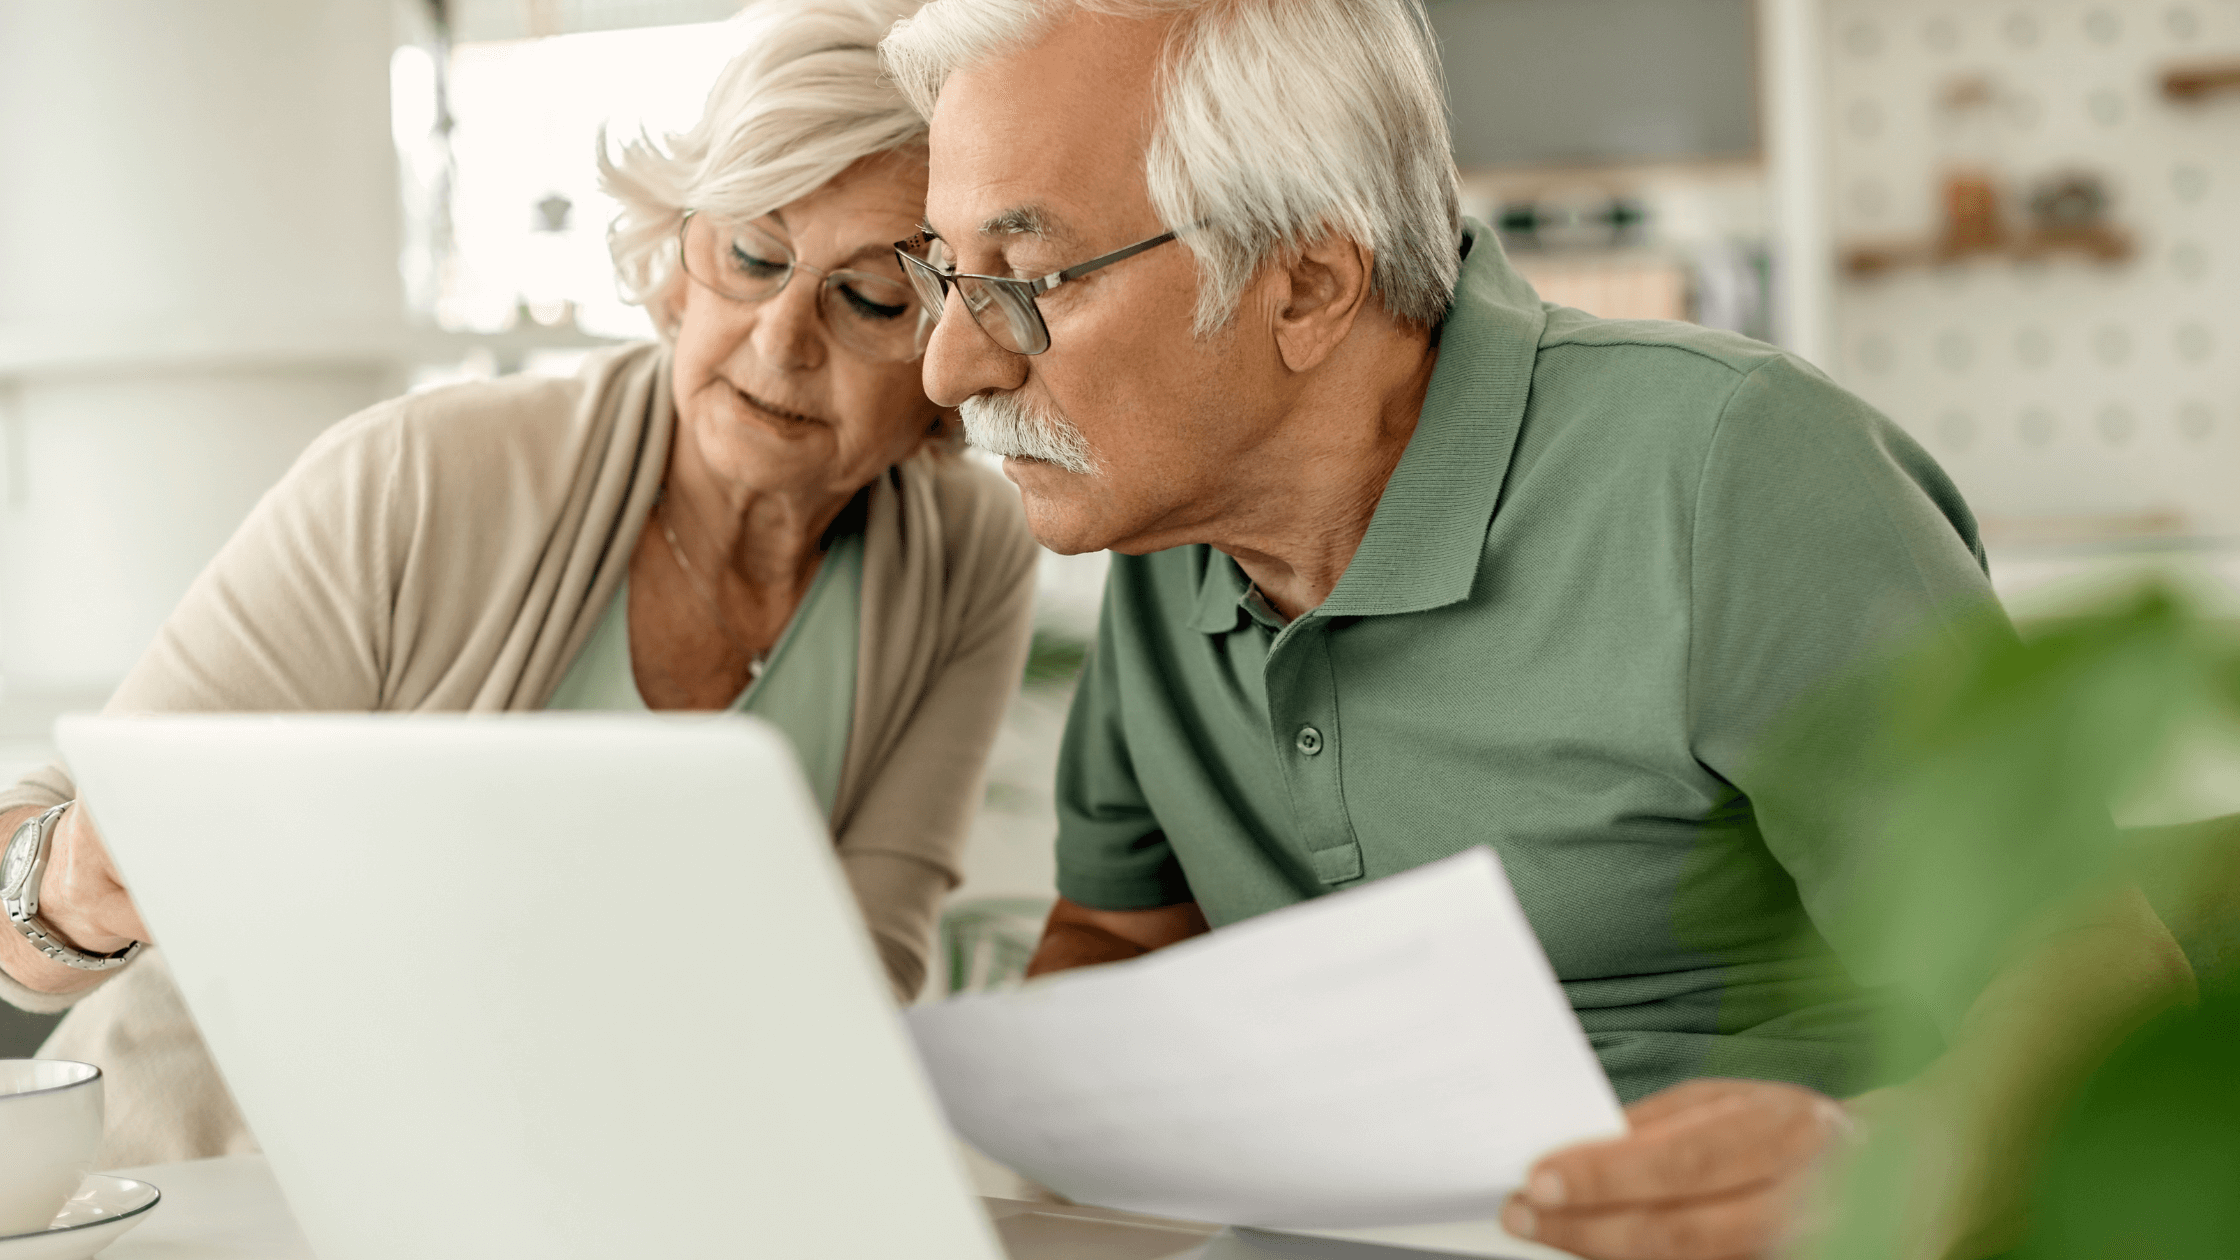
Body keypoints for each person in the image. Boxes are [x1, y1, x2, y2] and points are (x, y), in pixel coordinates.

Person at [879, 0, 2192, 1255]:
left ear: (1306, 286)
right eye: (947, 273)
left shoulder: (1734, 474)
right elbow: (1116, 941)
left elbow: (2104, 1030)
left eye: (1030, 277)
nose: (953, 367)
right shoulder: (1168, 523)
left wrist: (1857, 1169)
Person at [0, 0, 1037, 1168]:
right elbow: (37, 880)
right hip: (215, 1179)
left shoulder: (966, 555)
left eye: (871, 297)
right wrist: (72, 896)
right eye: (752, 254)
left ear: (956, 341)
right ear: (677, 269)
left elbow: (860, 968)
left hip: (608, 1194)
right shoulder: (418, 476)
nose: (779, 339)